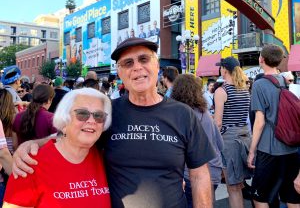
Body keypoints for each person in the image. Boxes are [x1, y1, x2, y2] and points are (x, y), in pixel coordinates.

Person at [12, 37, 215, 208]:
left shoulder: (183, 114)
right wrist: (34, 144)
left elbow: (199, 175)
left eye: (144, 59)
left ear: (156, 65)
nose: (137, 67)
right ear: (120, 72)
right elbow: (72, 136)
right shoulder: (106, 112)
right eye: (128, 63)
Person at [4, 88, 112, 208]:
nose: (92, 121)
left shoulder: (106, 158)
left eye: (99, 115)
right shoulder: (29, 164)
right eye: (82, 113)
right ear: (64, 120)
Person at [247, 44, 300, 207]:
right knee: (292, 197)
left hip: (268, 149)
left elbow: (260, 121)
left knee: (259, 197)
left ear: (261, 59)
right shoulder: (287, 81)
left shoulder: (259, 84)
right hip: (291, 147)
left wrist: (251, 151)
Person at [171, 74, 224, 206]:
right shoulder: (205, 113)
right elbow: (220, 144)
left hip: (191, 175)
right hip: (214, 172)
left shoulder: (179, 114)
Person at [214, 56, 252, 208]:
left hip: (229, 140)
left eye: (221, 67)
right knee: (239, 184)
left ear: (224, 70)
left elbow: (218, 122)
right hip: (244, 137)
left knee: (233, 187)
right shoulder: (244, 90)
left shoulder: (221, 91)